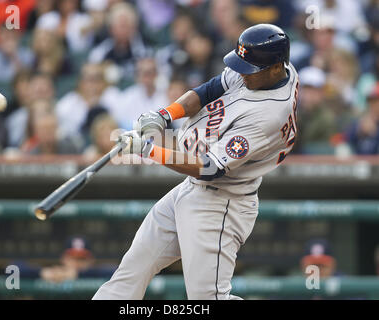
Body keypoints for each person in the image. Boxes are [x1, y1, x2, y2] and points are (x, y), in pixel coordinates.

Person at [93, 24, 299, 300]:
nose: (241, 73)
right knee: (131, 272)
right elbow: (210, 88)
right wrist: (166, 115)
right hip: (190, 192)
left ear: (275, 67)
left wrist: (148, 150)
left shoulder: (269, 115)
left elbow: (209, 168)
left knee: (208, 300)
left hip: (221, 203)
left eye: (250, 69)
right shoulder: (271, 70)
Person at [345, 83, 379, 154]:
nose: (373, 105)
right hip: (359, 163)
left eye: (376, 101)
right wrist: (359, 131)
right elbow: (346, 138)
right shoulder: (362, 120)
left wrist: (375, 133)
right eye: (371, 101)